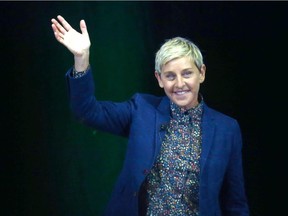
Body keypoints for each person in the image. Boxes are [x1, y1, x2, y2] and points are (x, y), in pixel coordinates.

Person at [51, 15, 250, 216]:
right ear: (159, 79)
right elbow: (86, 111)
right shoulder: (141, 109)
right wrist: (81, 58)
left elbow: (234, 203)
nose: (179, 84)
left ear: (202, 73)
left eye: (187, 73)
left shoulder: (227, 129)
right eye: (170, 76)